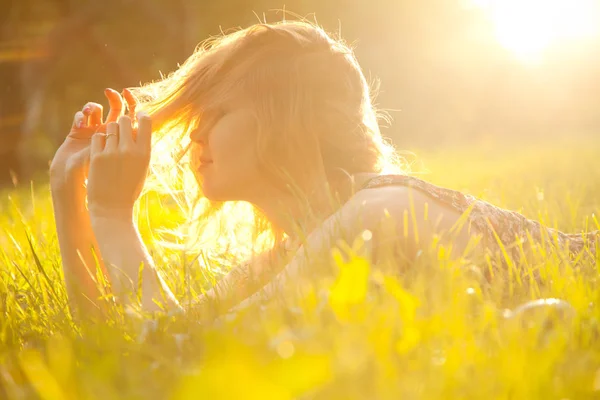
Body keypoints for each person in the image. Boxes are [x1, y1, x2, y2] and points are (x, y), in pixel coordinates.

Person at [49, 20, 597, 321]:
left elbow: (183, 351)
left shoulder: (376, 216)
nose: (194, 133)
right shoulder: (288, 254)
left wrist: (111, 213)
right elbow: (127, 353)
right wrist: (66, 194)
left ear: (288, 123)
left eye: (216, 114)